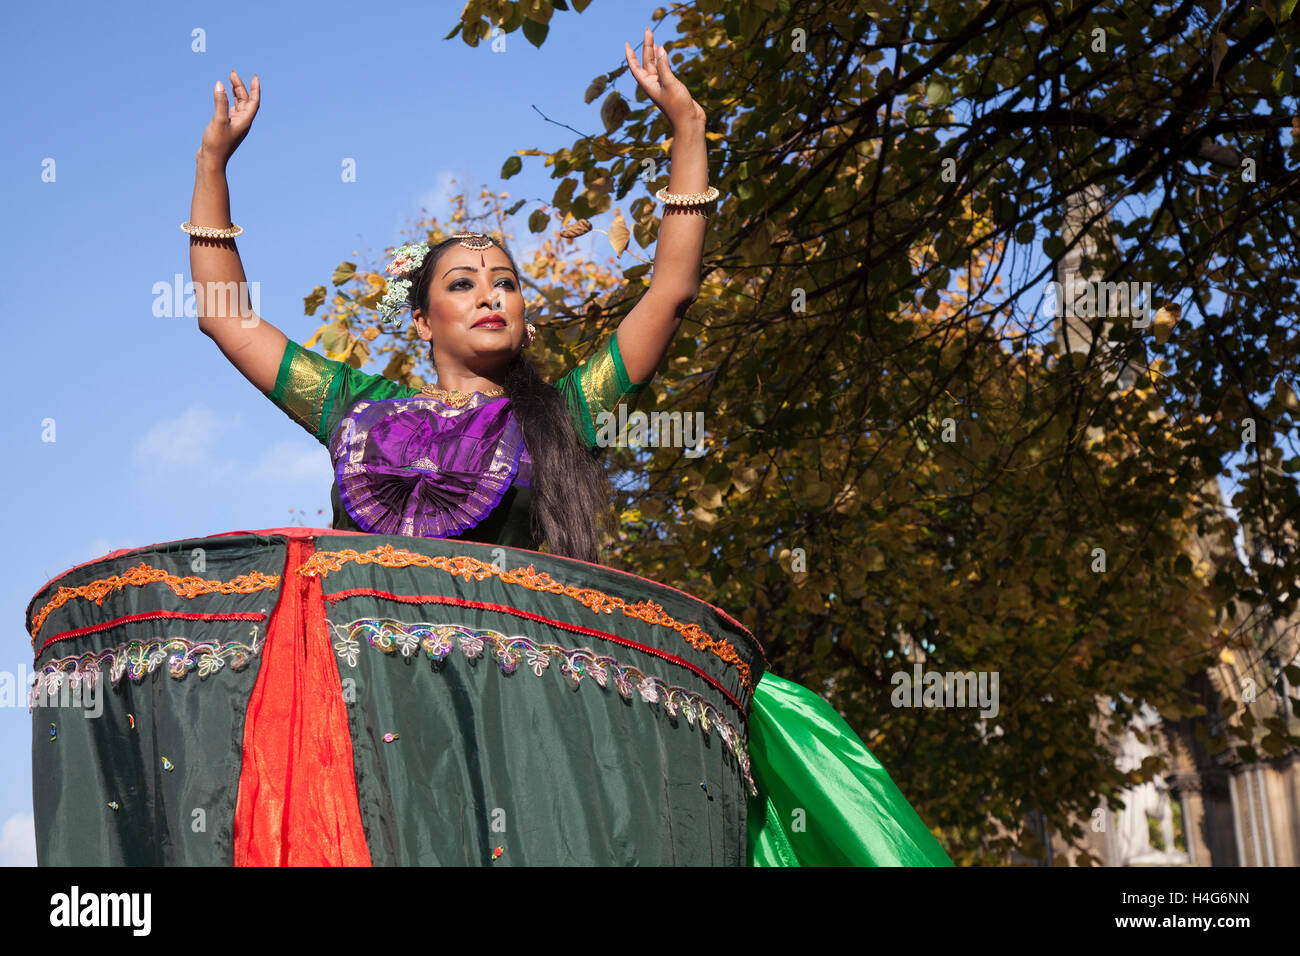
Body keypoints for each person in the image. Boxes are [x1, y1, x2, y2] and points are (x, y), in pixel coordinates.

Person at [30, 32, 948, 866]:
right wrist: (211, 162)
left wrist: (689, 127)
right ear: (423, 316)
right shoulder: (358, 410)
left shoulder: (562, 412)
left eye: (505, 282)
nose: (491, 295)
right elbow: (225, 321)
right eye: (464, 284)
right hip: (375, 712)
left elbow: (668, 292)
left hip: (513, 715)